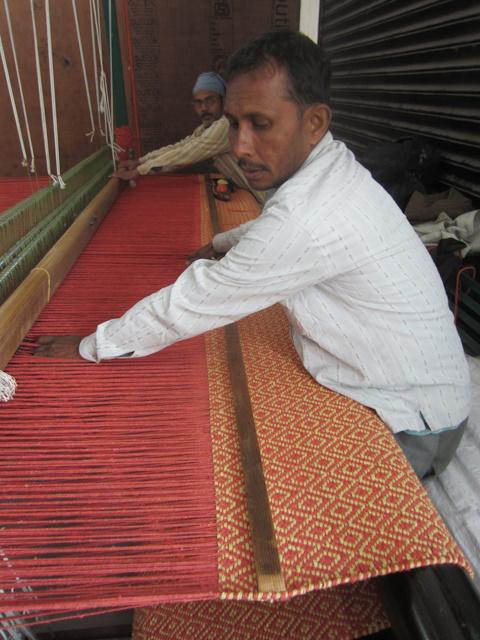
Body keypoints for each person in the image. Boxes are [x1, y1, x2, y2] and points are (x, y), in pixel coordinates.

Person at [35, 29, 470, 481]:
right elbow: (276, 225)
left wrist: (95, 346)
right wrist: (223, 242)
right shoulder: (333, 171)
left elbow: (197, 300)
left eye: (261, 125)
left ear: (315, 122)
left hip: (417, 422)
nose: (241, 147)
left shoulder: (308, 215)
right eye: (234, 123)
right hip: (429, 391)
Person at [110, 71, 266, 205]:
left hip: (266, 198)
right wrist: (140, 162)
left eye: (210, 100)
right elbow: (180, 147)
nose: (204, 108)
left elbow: (186, 154)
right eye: (198, 103)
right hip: (254, 195)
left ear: (223, 101)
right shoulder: (206, 129)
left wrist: (138, 171)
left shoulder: (225, 126)